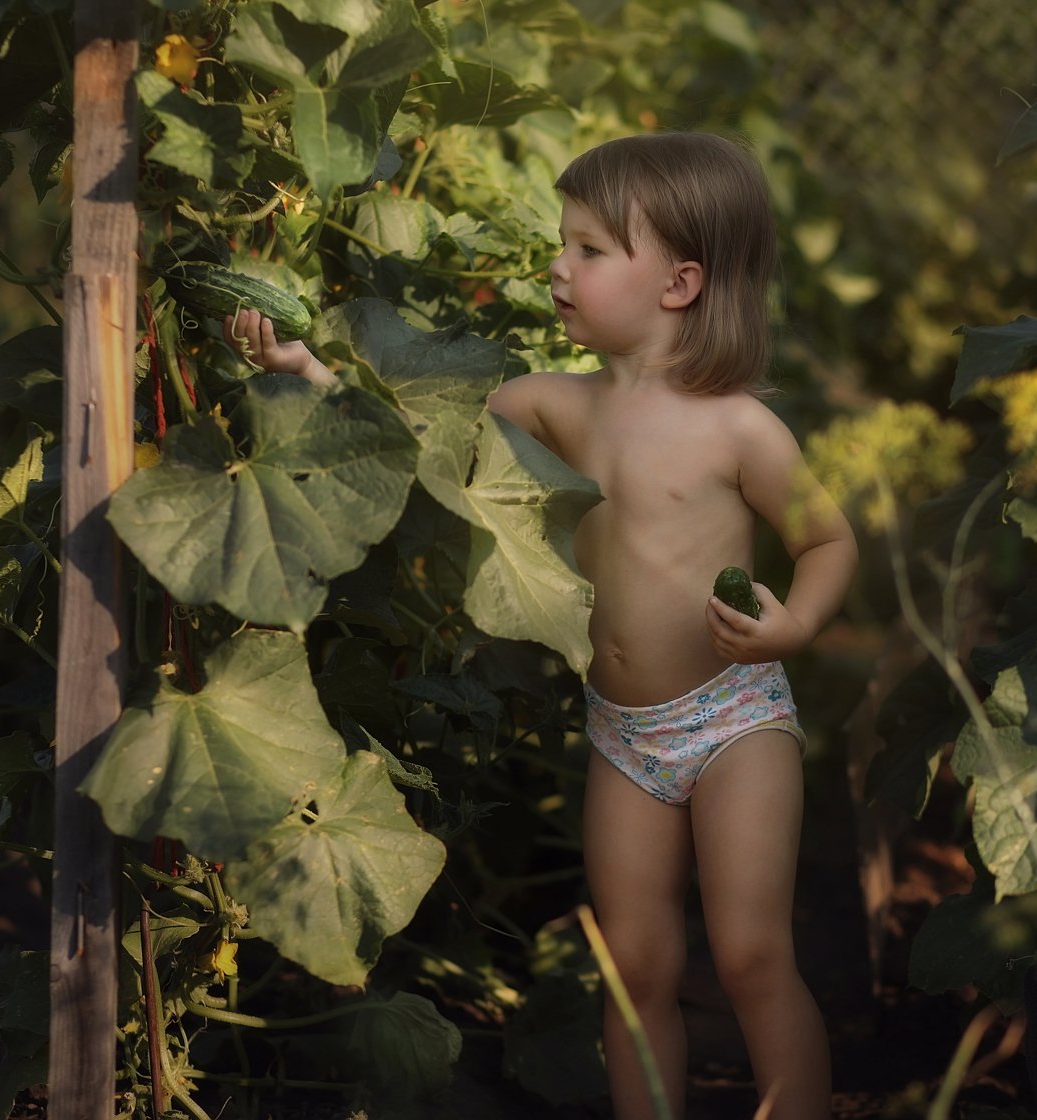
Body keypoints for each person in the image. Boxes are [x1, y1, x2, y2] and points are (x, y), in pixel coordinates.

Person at [221, 130, 856, 1120]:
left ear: (680, 284)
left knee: (750, 954)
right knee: (634, 966)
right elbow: (415, 431)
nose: (559, 267)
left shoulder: (739, 427)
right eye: (564, 243)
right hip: (624, 735)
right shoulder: (559, 405)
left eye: (589, 249)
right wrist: (305, 368)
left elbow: (828, 539)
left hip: (736, 719)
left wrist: (794, 625)